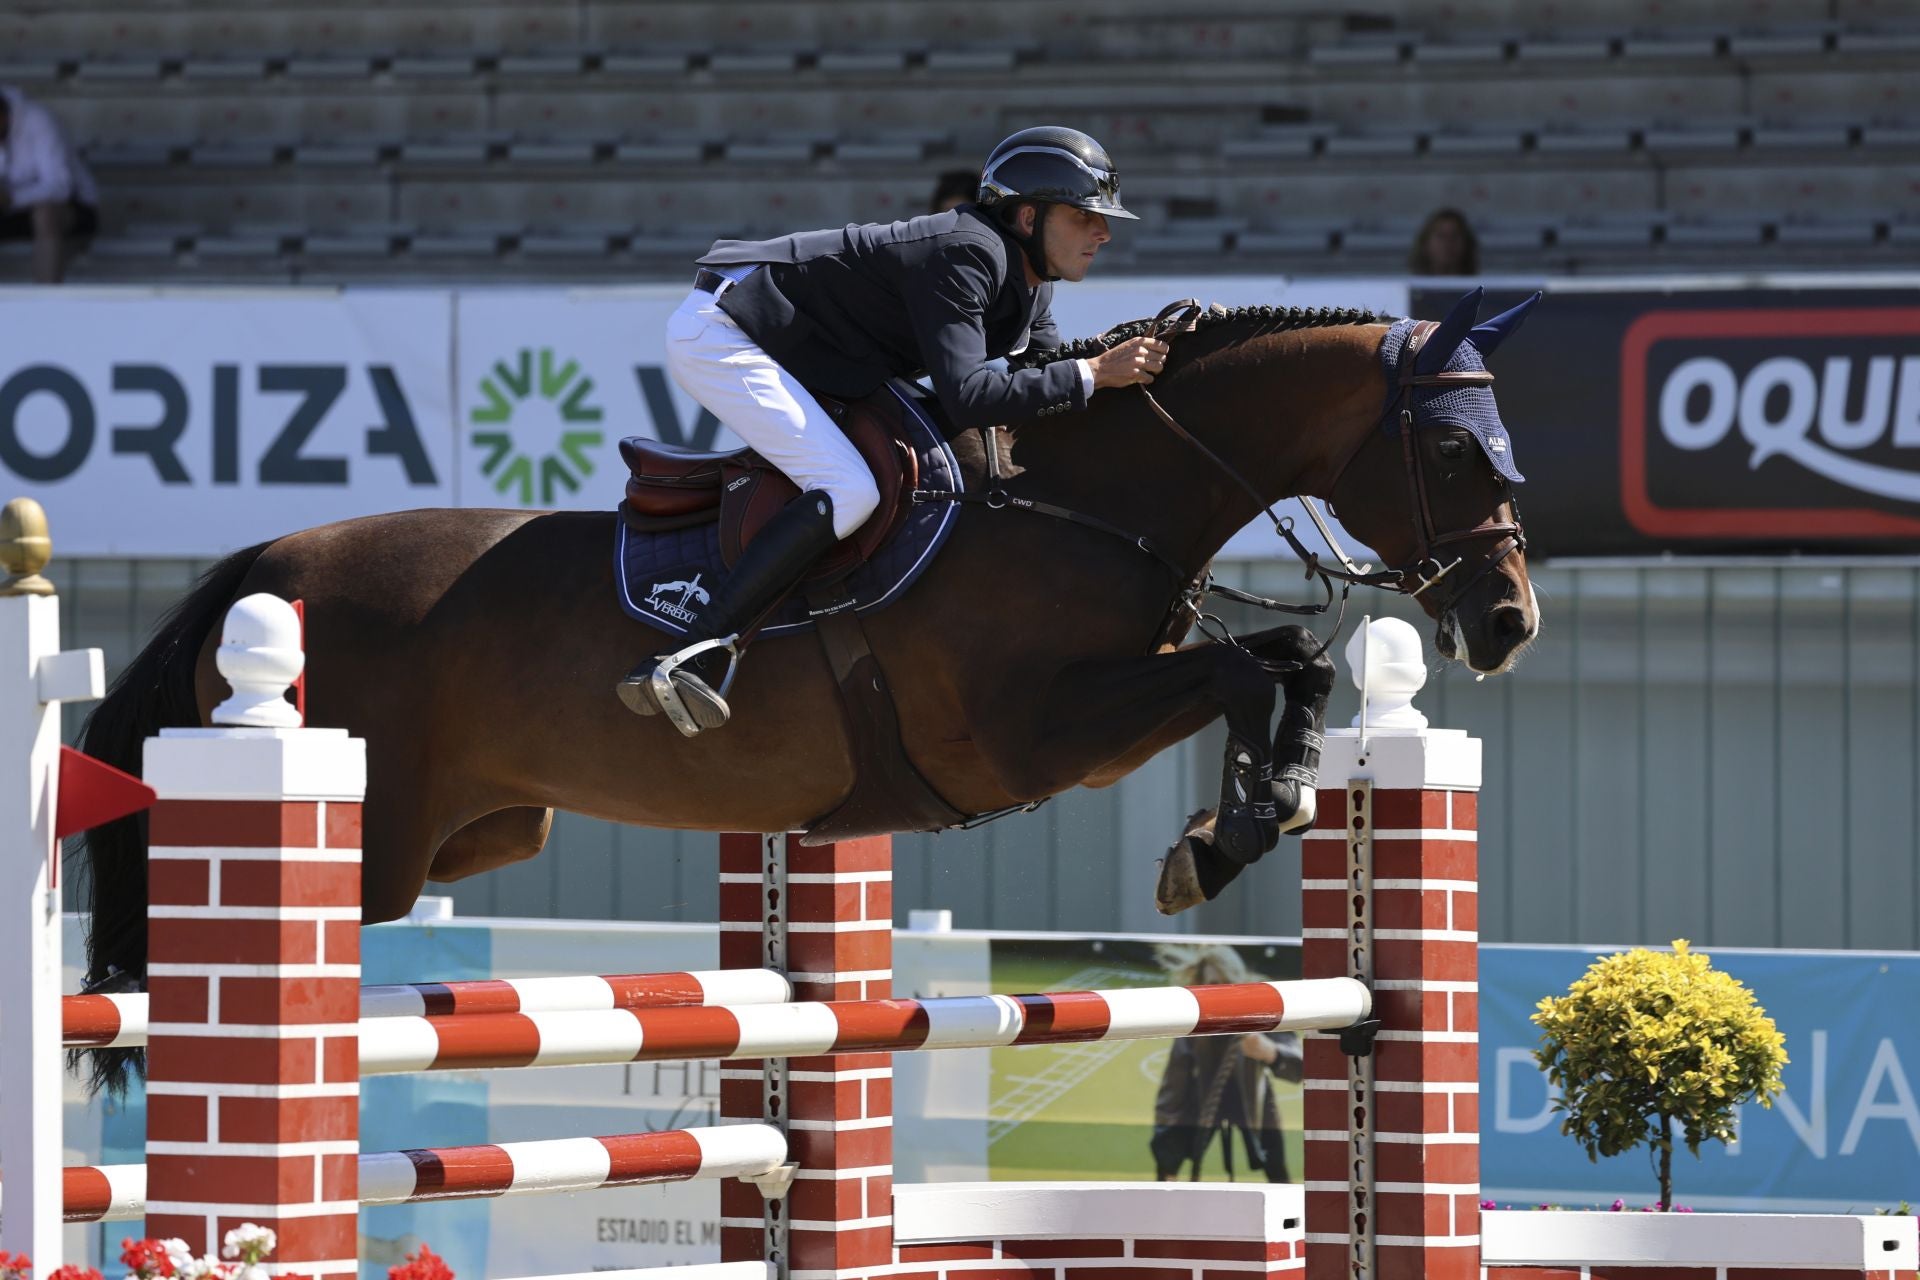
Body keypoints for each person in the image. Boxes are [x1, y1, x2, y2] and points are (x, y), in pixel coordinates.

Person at [617, 125, 1171, 734]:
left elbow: (1045, 380)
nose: (1104, 232)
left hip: (805, 350)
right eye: (1084, 215)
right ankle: (692, 651)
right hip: (727, 331)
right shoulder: (968, 252)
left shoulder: (1029, 285)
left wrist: (1127, 365)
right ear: (1027, 215)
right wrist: (1094, 373)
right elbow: (971, 397)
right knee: (851, 488)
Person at [1149, 944, 1304, 1183]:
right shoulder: (1192, 1018)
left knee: (1276, 1167)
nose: (1222, 992)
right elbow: (1173, 1089)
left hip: (1253, 1097)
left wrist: (1271, 1052)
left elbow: (1302, 1066)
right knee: (1168, 1169)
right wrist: (1167, 1158)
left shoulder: (1262, 1004)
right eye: (1213, 984)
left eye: (1228, 983)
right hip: (1201, 1095)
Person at [0, 86, 99, 283]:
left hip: (73, 209)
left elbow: (60, 186)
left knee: (46, 214)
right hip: (13, 211)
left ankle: (46, 300)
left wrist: (11, 198)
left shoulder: (38, 121)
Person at [1408, 207, 1478, 277]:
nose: (1448, 243)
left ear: (1466, 243)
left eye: (1454, 236)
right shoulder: (1409, 285)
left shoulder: (1481, 285)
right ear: (1426, 243)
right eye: (1441, 236)